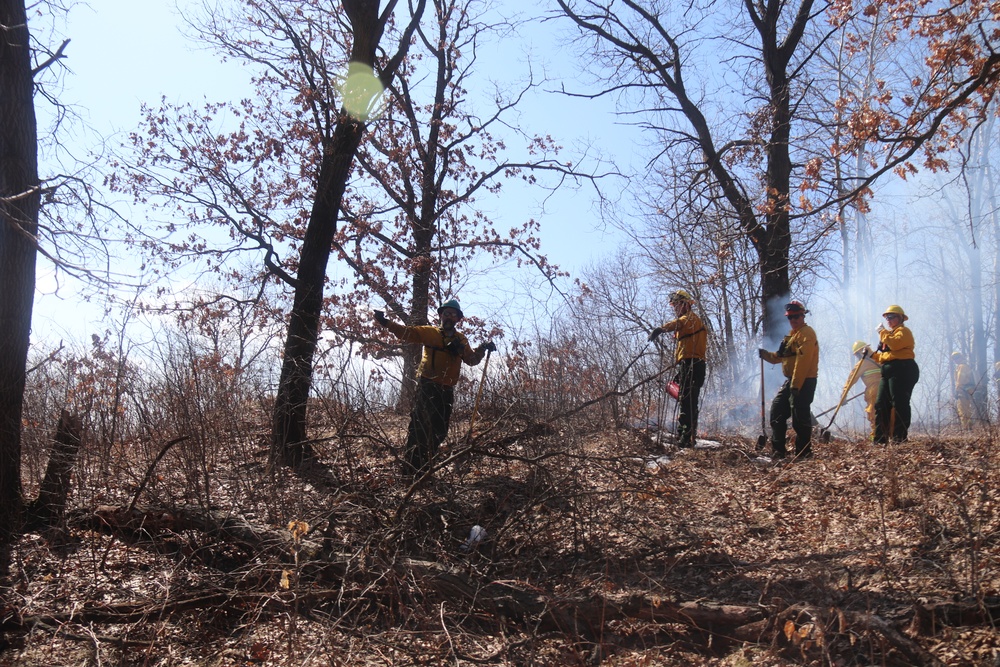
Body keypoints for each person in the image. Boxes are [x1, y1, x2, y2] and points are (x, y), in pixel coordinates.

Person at [374, 299, 496, 476]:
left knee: (440, 431)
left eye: (453, 315)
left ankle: (425, 466)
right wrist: (385, 322)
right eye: (446, 313)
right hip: (427, 386)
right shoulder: (429, 333)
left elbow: (471, 360)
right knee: (419, 427)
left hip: (447, 390)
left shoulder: (461, 339)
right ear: (440, 315)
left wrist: (483, 348)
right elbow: (406, 333)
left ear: (458, 319)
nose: (449, 317)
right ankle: (412, 469)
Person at [758, 300, 819, 459]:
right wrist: (765, 355)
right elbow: (778, 357)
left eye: (796, 316)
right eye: (790, 317)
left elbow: (803, 361)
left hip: (804, 381)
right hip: (792, 381)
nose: (793, 320)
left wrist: (796, 385)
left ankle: (804, 452)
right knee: (777, 411)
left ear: (803, 315)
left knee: (800, 417)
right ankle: (778, 451)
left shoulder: (807, 333)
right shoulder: (792, 336)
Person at [648, 289, 708, 448]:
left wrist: (661, 329)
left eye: (677, 305)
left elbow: (678, 323)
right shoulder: (688, 322)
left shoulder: (690, 319)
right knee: (686, 399)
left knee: (687, 401)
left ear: (686, 304)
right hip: (688, 364)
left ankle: (686, 438)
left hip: (693, 365)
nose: (675, 308)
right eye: (674, 305)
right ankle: (686, 435)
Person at [871, 304, 919, 443]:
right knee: (881, 404)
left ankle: (899, 438)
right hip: (888, 371)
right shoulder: (889, 335)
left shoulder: (904, 332)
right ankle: (880, 439)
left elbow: (896, 345)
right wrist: (872, 355)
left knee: (899, 403)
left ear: (900, 318)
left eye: (891, 317)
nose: (888, 320)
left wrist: (882, 332)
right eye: (887, 317)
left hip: (903, 370)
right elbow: (886, 356)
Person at [843, 341, 881, 438]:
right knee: (888, 412)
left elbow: (850, 381)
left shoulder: (861, 364)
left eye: (856, 355)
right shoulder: (880, 358)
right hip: (886, 389)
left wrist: (844, 396)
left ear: (860, 353)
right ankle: (893, 437)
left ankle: (876, 436)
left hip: (873, 392)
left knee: (873, 413)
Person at [950, 351, 976, 430]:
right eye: (954, 359)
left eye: (957, 358)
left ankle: (967, 429)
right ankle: (969, 428)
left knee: (963, 410)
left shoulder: (962, 367)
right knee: (967, 410)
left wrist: (957, 390)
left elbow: (960, 380)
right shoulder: (965, 366)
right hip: (968, 391)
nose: (955, 360)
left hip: (963, 391)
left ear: (961, 357)